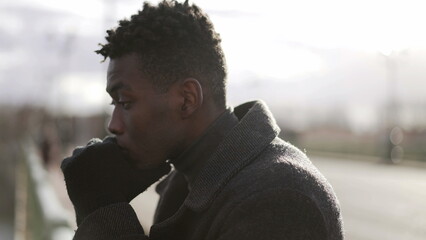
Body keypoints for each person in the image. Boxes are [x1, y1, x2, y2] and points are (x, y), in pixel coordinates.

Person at [61, 0, 344, 239]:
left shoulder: (279, 197)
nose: (113, 125)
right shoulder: (185, 182)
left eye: (125, 103)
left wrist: (102, 208)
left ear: (187, 99)